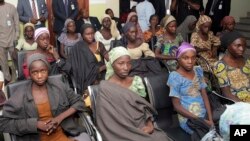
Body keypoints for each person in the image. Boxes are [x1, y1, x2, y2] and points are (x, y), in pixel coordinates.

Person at [0, 53, 90, 141]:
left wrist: (59, 118)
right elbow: (3, 123)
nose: (39, 76)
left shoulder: (59, 86)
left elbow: (79, 102)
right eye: (35, 72)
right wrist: (35, 124)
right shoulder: (20, 95)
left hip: (61, 133)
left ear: (48, 70)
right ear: (29, 74)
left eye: (43, 71)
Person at [96, 47, 170, 141]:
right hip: (119, 130)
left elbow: (144, 107)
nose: (126, 67)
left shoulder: (136, 81)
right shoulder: (105, 88)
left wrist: (150, 125)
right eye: (121, 63)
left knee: (161, 138)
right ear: (112, 64)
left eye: (128, 63)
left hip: (140, 124)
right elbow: (105, 118)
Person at [167, 42, 214, 134]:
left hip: (205, 115)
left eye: (193, 57)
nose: (190, 61)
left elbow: (204, 96)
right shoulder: (174, 77)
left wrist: (210, 118)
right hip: (189, 119)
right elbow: (177, 106)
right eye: (186, 58)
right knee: (206, 134)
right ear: (178, 59)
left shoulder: (198, 70)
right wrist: (203, 121)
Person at [213, 31, 250, 102]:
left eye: (244, 45)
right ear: (228, 46)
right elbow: (227, 94)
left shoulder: (247, 62)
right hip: (236, 102)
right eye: (238, 45)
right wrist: (245, 106)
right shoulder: (220, 66)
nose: (242, 49)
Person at [0, 0, 19, 83]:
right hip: (0, 41)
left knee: (15, 60)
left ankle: (17, 76)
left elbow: (16, 22)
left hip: (12, 40)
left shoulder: (11, 7)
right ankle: (7, 79)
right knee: (3, 63)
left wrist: (16, 36)